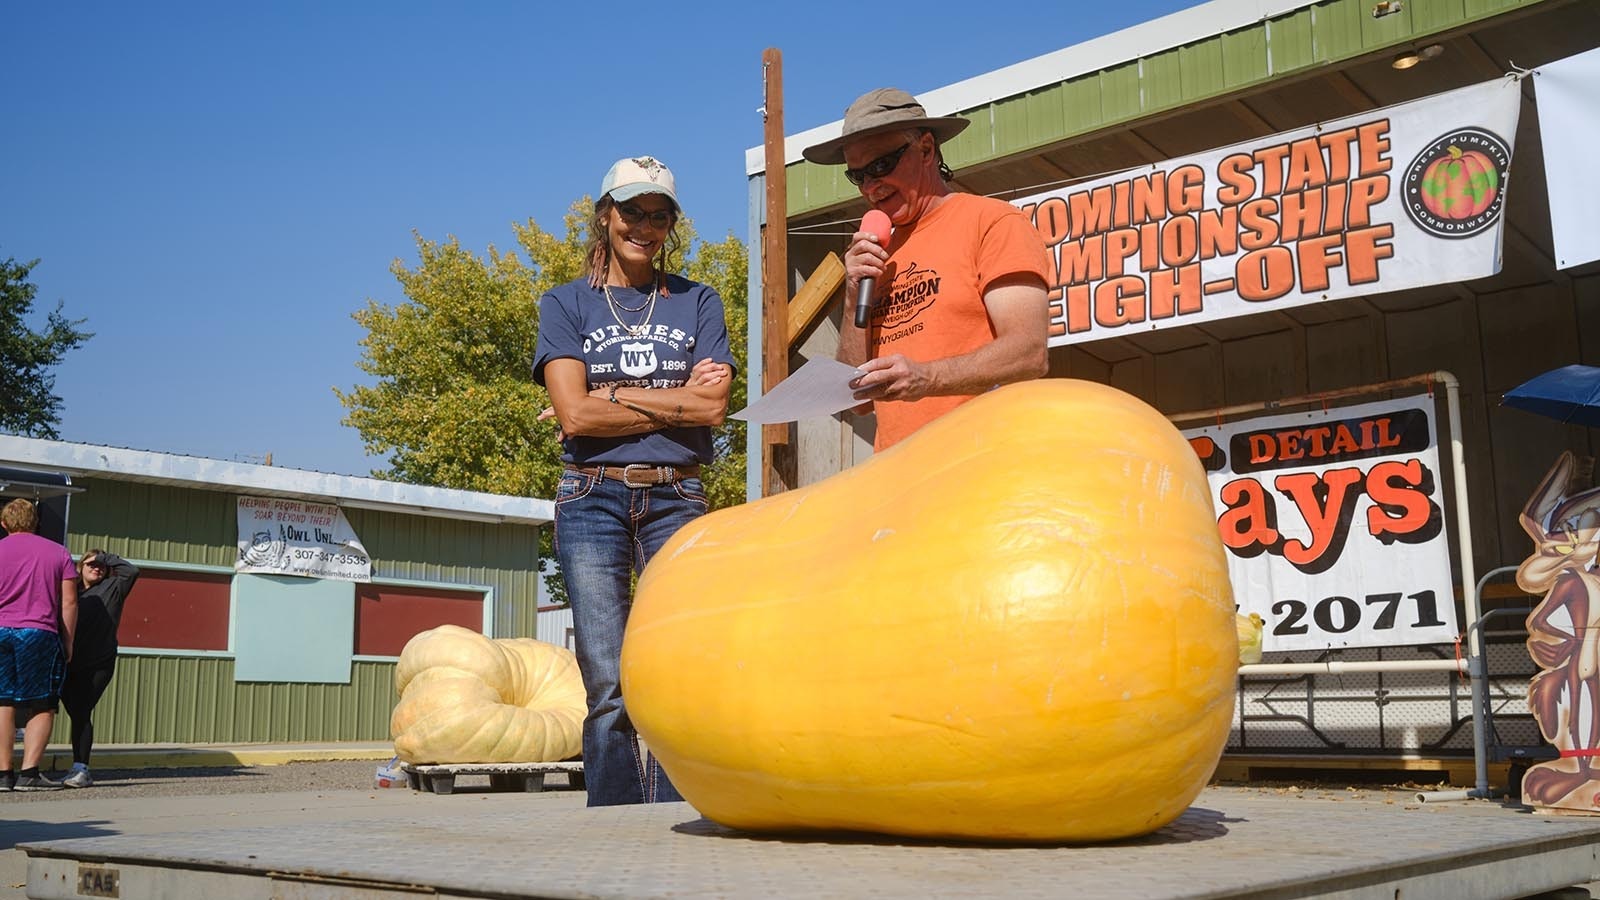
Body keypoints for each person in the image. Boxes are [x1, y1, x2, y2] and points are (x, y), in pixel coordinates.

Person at [533, 155, 734, 806]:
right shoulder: (565, 304)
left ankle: (680, 815)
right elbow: (573, 413)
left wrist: (611, 391)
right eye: (631, 211)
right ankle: (614, 827)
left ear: (671, 224)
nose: (644, 226)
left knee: (679, 667)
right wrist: (667, 396)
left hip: (679, 494)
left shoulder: (698, 300)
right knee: (607, 679)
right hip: (592, 497)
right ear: (605, 215)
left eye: (658, 214)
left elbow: (711, 409)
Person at [802, 87, 1052, 451]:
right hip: (900, 477)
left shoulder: (993, 222)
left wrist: (927, 376)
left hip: (984, 462)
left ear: (926, 149)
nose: (871, 185)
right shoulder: (875, 251)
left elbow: (1029, 353)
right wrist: (855, 289)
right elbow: (857, 401)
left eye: (881, 166)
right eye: (857, 176)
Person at [0, 498, 78, 791]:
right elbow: (69, 601)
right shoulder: (58, 553)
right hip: (38, 632)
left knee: (3, 701)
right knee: (42, 703)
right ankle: (29, 773)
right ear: (36, 522)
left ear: (4, 523)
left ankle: (3, 773)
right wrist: (68, 640)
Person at [60, 548, 140, 788]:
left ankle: (81, 769)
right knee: (72, 711)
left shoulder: (115, 588)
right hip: (69, 660)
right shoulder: (70, 592)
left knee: (82, 710)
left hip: (99, 662)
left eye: (101, 566)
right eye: (90, 564)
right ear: (79, 567)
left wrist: (104, 558)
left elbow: (132, 570)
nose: (96, 568)